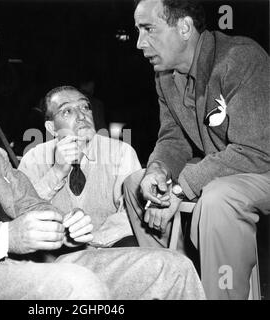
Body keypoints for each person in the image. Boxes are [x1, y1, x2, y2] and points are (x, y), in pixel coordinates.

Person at [0, 46, 205, 300]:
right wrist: (5, 238)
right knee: (75, 286)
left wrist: (64, 226)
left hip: (31, 264)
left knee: (172, 267)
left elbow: (30, 205)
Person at [124, 0, 270, 300]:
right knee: (134, 184)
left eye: (149, 29)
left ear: (185, 27)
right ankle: (174, 289)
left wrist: (180, 190)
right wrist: (158, 171)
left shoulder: (240, 58)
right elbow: (173, 138)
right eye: (138, 31)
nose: (140, 43)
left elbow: (255, 150)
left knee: (219, 200)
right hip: (227, 167)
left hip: (261, 164)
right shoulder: (165, 76)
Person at [19, 86, 141, 248]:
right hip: (54, 253)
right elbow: (21, 215)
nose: (82, 116)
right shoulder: (33, 158)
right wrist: (56, 173)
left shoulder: (121, 153)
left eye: (85, 107)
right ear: (51, 128)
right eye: (67, 111)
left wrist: (91, 242)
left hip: (108, 248)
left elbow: (131, 214)